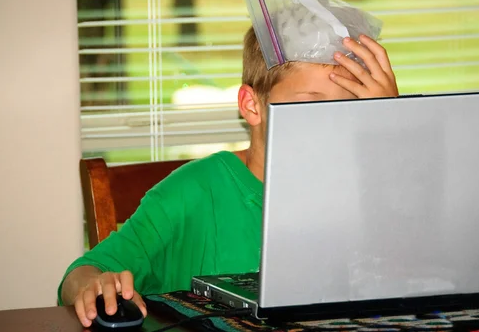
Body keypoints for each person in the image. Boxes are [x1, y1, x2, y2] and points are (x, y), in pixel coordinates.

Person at [58, 26, 399, 327]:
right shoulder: (193, 192)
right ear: (252, 106)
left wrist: (389, 129)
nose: (331, 123)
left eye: (349, 106)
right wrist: (92, 284)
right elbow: (84, 272)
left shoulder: (363, 189)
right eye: (311, 103)